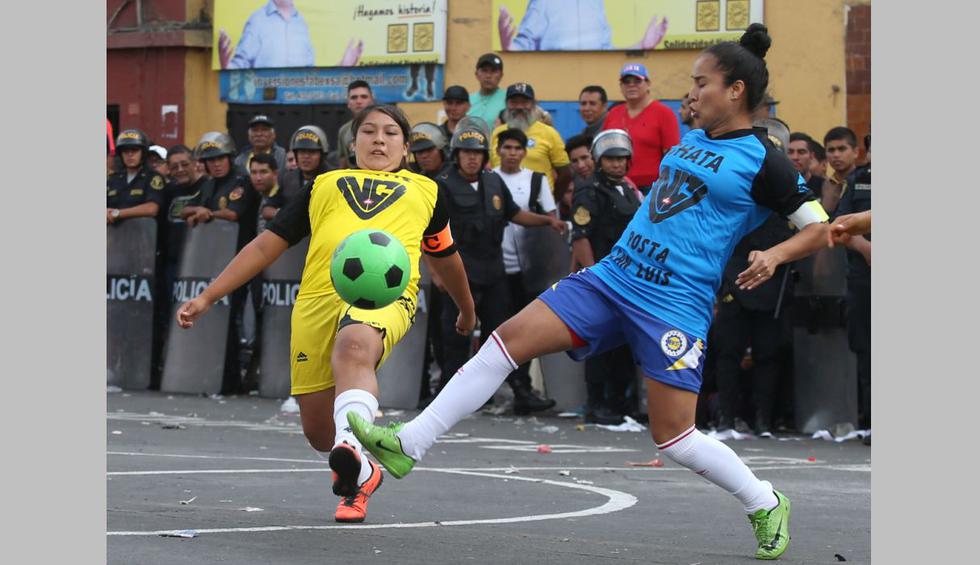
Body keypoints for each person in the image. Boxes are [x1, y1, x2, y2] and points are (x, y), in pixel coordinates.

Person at [350, 24, 832, 560]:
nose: (691, 93)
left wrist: (774, 254)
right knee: (507, 338)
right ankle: (410, 443)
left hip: (674, 303)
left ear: (736, 90)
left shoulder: (766, 158)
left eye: (701, 82)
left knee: (674, 437)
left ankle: (765, 500)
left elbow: (819, 226)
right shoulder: (694, 138)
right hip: (614, 277)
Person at [175, 104, 477, 523]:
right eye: (368, 131)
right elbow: (267, 245)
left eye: (390, 133)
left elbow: (445, 257)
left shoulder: (426, 191)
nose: (378, 139)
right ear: (352, 144)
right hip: (316, 301)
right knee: (319, 433)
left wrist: (466, 309)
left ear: (406, 147)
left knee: (355, 346)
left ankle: (353, 446)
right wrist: (208, 296)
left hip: (386, 297)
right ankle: (364, 466)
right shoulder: (324, 186)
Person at [432, 125, 566, 414]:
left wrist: (547, 222)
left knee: (500, 336)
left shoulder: (493, 183)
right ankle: (447, 399)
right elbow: (427, 232)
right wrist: (436, 273)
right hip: (460, 274)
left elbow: (514, 214)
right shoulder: (442, 184)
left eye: (477, 153)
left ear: (484, 156)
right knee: (456, 337)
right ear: (457, 155)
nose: (471, 159)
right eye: (466, 153)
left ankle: (500, 394)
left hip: (494, 272)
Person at [711, 120, 798, 438]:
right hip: (735, 277)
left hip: (773, 283)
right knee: (728, 352)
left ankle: (763, 419)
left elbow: (810, 230)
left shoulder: (790, 189)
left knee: (768, 354)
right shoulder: (736, 184)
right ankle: (726, 418)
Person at [569, 129, 643, 425]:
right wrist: (594, 277)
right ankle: (597, 402)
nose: (616, 164)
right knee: (599, 342)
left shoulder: (629, 190)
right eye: (610, 159)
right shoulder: (590, 192)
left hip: (630, 279)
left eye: (621, 159)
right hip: (603, 276)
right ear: (600, 160)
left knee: (624, 342)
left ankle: (621, 401)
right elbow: (581, 236)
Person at [181, 132, 261, 394]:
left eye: (219, 158)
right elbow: (186, 208)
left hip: (241, 261)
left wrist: (208, 213)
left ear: (229, 157)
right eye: (209, 160)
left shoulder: (242, 182)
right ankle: (213, 375)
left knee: (234, 320)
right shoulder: (207, 184)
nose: (215, 164)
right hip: (213, 261)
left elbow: (233, 213)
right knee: (214, 319)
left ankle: (233, 380)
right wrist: (198, 211)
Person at [493, 129, 562, 412]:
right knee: (499, 327)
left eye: (517, 148)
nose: (511, 153)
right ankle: (500, 388)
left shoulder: (536, 180)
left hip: (529, 265)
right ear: (498, 150)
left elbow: (551, 217)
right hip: (496, 264)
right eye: (506, 147)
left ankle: (523, 389)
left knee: (528, 328)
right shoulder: (490, 179)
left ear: (524, 152)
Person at [833, 134, 871, 443]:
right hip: (864, 278)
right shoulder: (859, 181)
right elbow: (840, 226)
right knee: (867, 348)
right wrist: (867, 249)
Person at [601, 63, 680, 193]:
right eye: (626, 81)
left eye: (637, 81)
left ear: (648, 84)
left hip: (651, 187)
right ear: (621, 86)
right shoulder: (613, 113)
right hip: (615, 186)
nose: (631, 85)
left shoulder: (664, 113)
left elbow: (672, 156)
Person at [490, 82, 572, 201]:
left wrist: (551, 201)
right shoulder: (497, 133)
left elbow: (565, 174)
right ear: (506, 105)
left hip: (539, 208)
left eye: (524, 102)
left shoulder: (549, 133)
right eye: (514, 102)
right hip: (502, 205)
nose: (519, 107)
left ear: (533, 105)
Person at [498, 0, 667, 51]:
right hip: (557, 78)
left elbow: (604, 49)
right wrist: (508, 44)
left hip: (597, 82)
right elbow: (523, 46)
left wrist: (640, 46)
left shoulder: (595, 3)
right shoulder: (543, 2)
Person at [218, 0, 314, 69]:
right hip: (265, 95)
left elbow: (310, 69)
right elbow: (240, 65)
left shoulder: (301, 23)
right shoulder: (257, 21)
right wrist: (226, 66)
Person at [106, 129, 166, 225]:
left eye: (134, 150)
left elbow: (151, 209)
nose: (130, 155)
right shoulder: (112, 179)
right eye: (125, 151)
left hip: (142, 237)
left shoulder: (153, 177)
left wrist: (117, 213)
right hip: (115, 237)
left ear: (143, 153)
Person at [280, 125, 331, 207]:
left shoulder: (333, 179)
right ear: (295, 155)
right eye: (302, 152)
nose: (306, 157)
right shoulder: (287, 179)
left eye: (312, 152)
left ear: (322, 155)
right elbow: (268, 207)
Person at [819, 127, 858, 214]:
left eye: (842, 149)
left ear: (855, 152)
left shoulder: (864, 183)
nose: (836, 155)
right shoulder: (823, 185)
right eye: (831, 150)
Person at [338, 81, 375, 168]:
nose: (359, 101)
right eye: (354, 97)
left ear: (371, 101)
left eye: (364, 97)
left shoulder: (385, 126)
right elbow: (343, 164)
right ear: (348, 103)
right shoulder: (344, 131)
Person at [467, 53, 506, 130]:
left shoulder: (508, 100)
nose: (488, 76)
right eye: (484, 71)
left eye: (494, 71)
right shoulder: (467, 101)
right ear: (476, 74)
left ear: (501, 75)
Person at [787, 132, 825, 198]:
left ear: (811, 156)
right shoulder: (777, 186)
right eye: (790, 152)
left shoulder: (824, 187)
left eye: (801, 152)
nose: (795, 157)